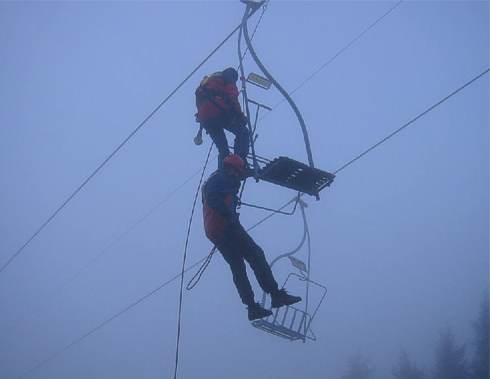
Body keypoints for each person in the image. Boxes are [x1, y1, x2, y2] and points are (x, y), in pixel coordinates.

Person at [201, 154, 302, 321]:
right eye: (237, 172)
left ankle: (252, 307)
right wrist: (228, 214)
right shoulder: (221, 178)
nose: (238, 176)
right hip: (225, 226)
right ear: (231, 169)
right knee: (256, 255)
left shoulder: (221, 179)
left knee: (238, 267)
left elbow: (213, 196)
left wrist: (230, 205)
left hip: (215, 231)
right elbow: (213, 197)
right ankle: (276, 295)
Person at [195, 68, 250, 168]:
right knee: (243, 132)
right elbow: (232, 98)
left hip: (206, 120)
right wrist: (241, 116)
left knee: (223, 149)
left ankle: (223, 171)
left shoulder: (208, 82)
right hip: (219, 112)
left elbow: (199, 103)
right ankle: (239, 161)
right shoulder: (228, 78)